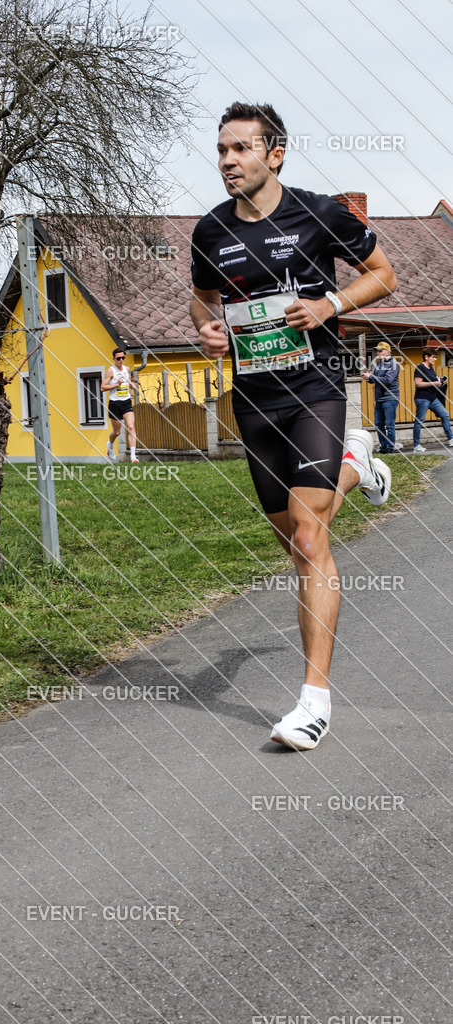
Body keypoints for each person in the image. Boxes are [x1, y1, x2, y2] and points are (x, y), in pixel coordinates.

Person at [190, 101, 397, 751]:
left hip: (316, 388)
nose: (228, 160)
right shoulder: (210, 230)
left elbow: (384, 276)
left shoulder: (321, 214)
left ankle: (313, 702)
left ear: (274, 154)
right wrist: (206, 332)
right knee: (297, 543)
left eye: (241, 149)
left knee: (311, 543)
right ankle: (355, 465)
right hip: (253, 399)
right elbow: (202, 298)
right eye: (222, 149)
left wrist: (329, 304)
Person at [412, 346, 453, 452]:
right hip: (422, 398)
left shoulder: (431, 368)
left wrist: (440, 381)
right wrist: (434, 383)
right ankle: (416, 445)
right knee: (419, 421)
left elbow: (434, 379)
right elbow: (418, 384)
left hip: (432, 398)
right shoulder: (420, 368)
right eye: (433, 357)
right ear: (426, 357)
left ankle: (451, 439)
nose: (435, 359)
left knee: (444, 414)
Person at [101, 348, 139, 462]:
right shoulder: (110, 371)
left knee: (131, 427)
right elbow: (103, 387)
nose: (121, 360)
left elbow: (128, 381)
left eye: (123, 358)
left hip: (126, 401)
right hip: (115, 403)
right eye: (118, 358)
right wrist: (116, 385)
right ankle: (110, 445)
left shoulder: (127, 369)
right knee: (117, 432)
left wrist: (132, 385)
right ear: (114, 359)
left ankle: (133, 457)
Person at [363, 341, 400, 453]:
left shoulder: (394, 364)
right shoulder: (379, 364)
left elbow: (387, 381)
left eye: (380, 350)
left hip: (390, 398)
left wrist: (372, 377)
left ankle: (390, 447)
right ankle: (383, 446)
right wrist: (369, 378)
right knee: (379, 425)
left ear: (388, 352)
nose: (378, 353)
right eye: (377, 351)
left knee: (390, 425)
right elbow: (376, 380)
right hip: (379, 398)